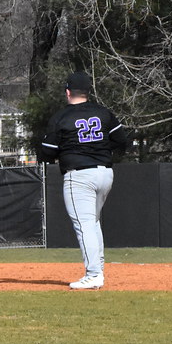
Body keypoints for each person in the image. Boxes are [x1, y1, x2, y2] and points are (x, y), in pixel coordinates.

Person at [39, 71, 128, 289]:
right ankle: (98, 268)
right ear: (88, 92)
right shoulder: (103, 113)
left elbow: (47, 152)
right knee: (93, 221)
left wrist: (66, 152)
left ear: (68, 92)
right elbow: (122, 140)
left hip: (79, 175)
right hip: (105, 173)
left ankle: (94, 273)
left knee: (85, 223)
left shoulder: (62, 117)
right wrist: (99, 149)